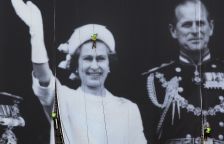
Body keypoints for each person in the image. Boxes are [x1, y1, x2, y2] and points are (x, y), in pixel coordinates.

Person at [10, 0, 147, 144]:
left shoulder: (128, 109)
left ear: (109, 65)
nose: (94, 66)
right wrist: (36, 34)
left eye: (100, 58)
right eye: (88, 58)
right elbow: (43, 77)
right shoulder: (63, 99)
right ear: (75, 65)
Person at [142, 0, 224, 143]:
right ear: (173, 31)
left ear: (211, 27)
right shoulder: (156, 79)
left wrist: (205, 138)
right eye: (187, 24)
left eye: (200, 23)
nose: (195, 31)